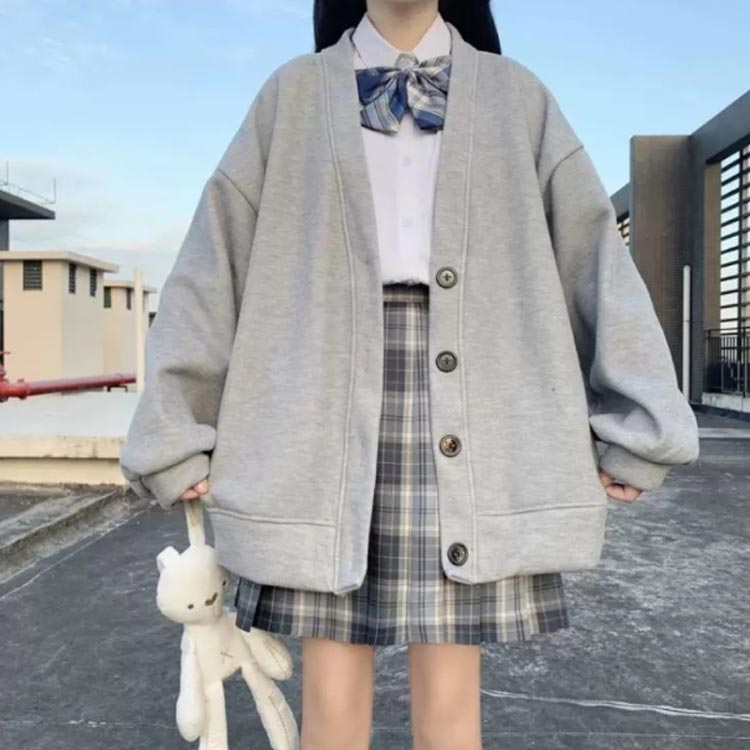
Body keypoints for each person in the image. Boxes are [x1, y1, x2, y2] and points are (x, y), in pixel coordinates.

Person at [120, 2, 701, 748]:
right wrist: (174, 425)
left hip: (478, 402)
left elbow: (594, 254)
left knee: (452, 700)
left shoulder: (516, 96)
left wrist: (642, 420)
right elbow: (213, 263)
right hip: (318, 407)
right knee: (331, 695)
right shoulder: (292, 94)